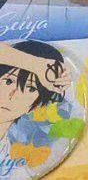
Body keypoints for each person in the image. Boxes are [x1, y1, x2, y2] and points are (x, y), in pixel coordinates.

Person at [0, 40, 72, 179]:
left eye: (30, 88)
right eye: (9, 81)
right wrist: (36, 64)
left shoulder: (11, 157)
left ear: (38, 105)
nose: (12, 95)